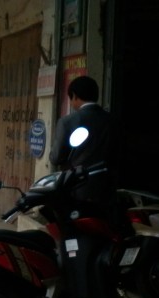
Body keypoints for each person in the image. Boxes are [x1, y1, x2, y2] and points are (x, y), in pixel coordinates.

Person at [49, 75, 117, 205]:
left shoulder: (67, 122)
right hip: (107, 190)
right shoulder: (112, 121)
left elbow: (56, 157)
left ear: (74, 96)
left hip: (76, 190)